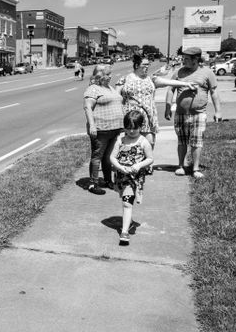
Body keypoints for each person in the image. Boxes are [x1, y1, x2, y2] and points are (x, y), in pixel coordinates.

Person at [164, 46, 222, 179]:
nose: (183, 61)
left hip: (198, 113)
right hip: (180, 113)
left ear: (195, 59)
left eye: (186, 59)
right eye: (183, 58)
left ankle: (195, 169)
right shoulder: (179, 72)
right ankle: (180, 166)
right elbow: (170, 90)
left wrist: (218, 111)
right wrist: (168, 107)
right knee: (182, 141)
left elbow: (213, 92)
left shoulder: (207, 73)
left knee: (197, 141)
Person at [116, 55, 195, 150]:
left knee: (149, 143)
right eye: (144, 65)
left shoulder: (151, 79)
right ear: (137, 65)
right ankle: (134, 162)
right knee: (131, 143)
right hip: (131, 117)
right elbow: (116, 98)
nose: (147, 67)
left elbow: (169, 82)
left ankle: (147, 163)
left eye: (148, 65)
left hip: (148, 117)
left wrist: (186, 84)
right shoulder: (124, 79)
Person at [110, 110, 154, 245]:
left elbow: (150, 159)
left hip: (134, 179)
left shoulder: (143, 142)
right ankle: (129, 221)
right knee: (125, 201)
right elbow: (112, 157)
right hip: (121, 176)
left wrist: (139, 165)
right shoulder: (120, 140)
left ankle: (124, 232)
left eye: (135, 127)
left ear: (141, 127)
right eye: (128, 127)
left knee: (126, 203)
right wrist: (119, 166)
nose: (132, 130)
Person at [83, 64, 124, 195]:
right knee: (97, 156)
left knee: (108, 157)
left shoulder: (109, 88)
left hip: (115, 129)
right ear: (99, 75)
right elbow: (87, 107)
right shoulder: (93, 89)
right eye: (107, 74)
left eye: (110, 73)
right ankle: (93, 184)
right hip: (101, 129)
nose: (110, 76)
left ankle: (107, 180)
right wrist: (92, 125)